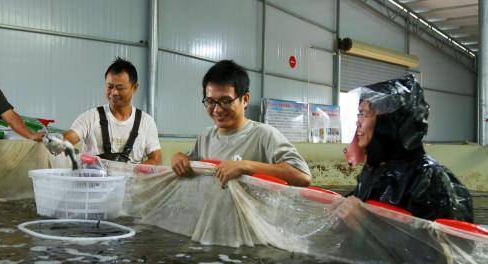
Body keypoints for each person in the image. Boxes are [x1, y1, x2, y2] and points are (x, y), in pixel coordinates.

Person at [335, 75, 473, 223]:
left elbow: (445, 243)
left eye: (364, 114)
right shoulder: (375, 171)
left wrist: (364, 223)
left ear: (389, 122)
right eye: (359, 114)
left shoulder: (431, 180)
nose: (358, 121)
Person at [171, 60, 311, 187]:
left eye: (226, 101)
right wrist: (179, 157)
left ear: (245, 99)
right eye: (210, 101)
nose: (217, 109)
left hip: (248, 216)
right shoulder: (206, 136)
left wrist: (245, 166)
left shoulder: (264, 135)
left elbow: (302, 176)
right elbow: (188, 163)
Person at [63, 57, 162, 165]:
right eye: (110, 86)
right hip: (95, 181)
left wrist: (133, 171)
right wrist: (50, 140)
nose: (114, 92)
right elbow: (68, 138)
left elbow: (156, 159)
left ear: (134, 87)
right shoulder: (90, 118)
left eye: (120, 88)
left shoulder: (146, 122)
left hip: (132, 181)